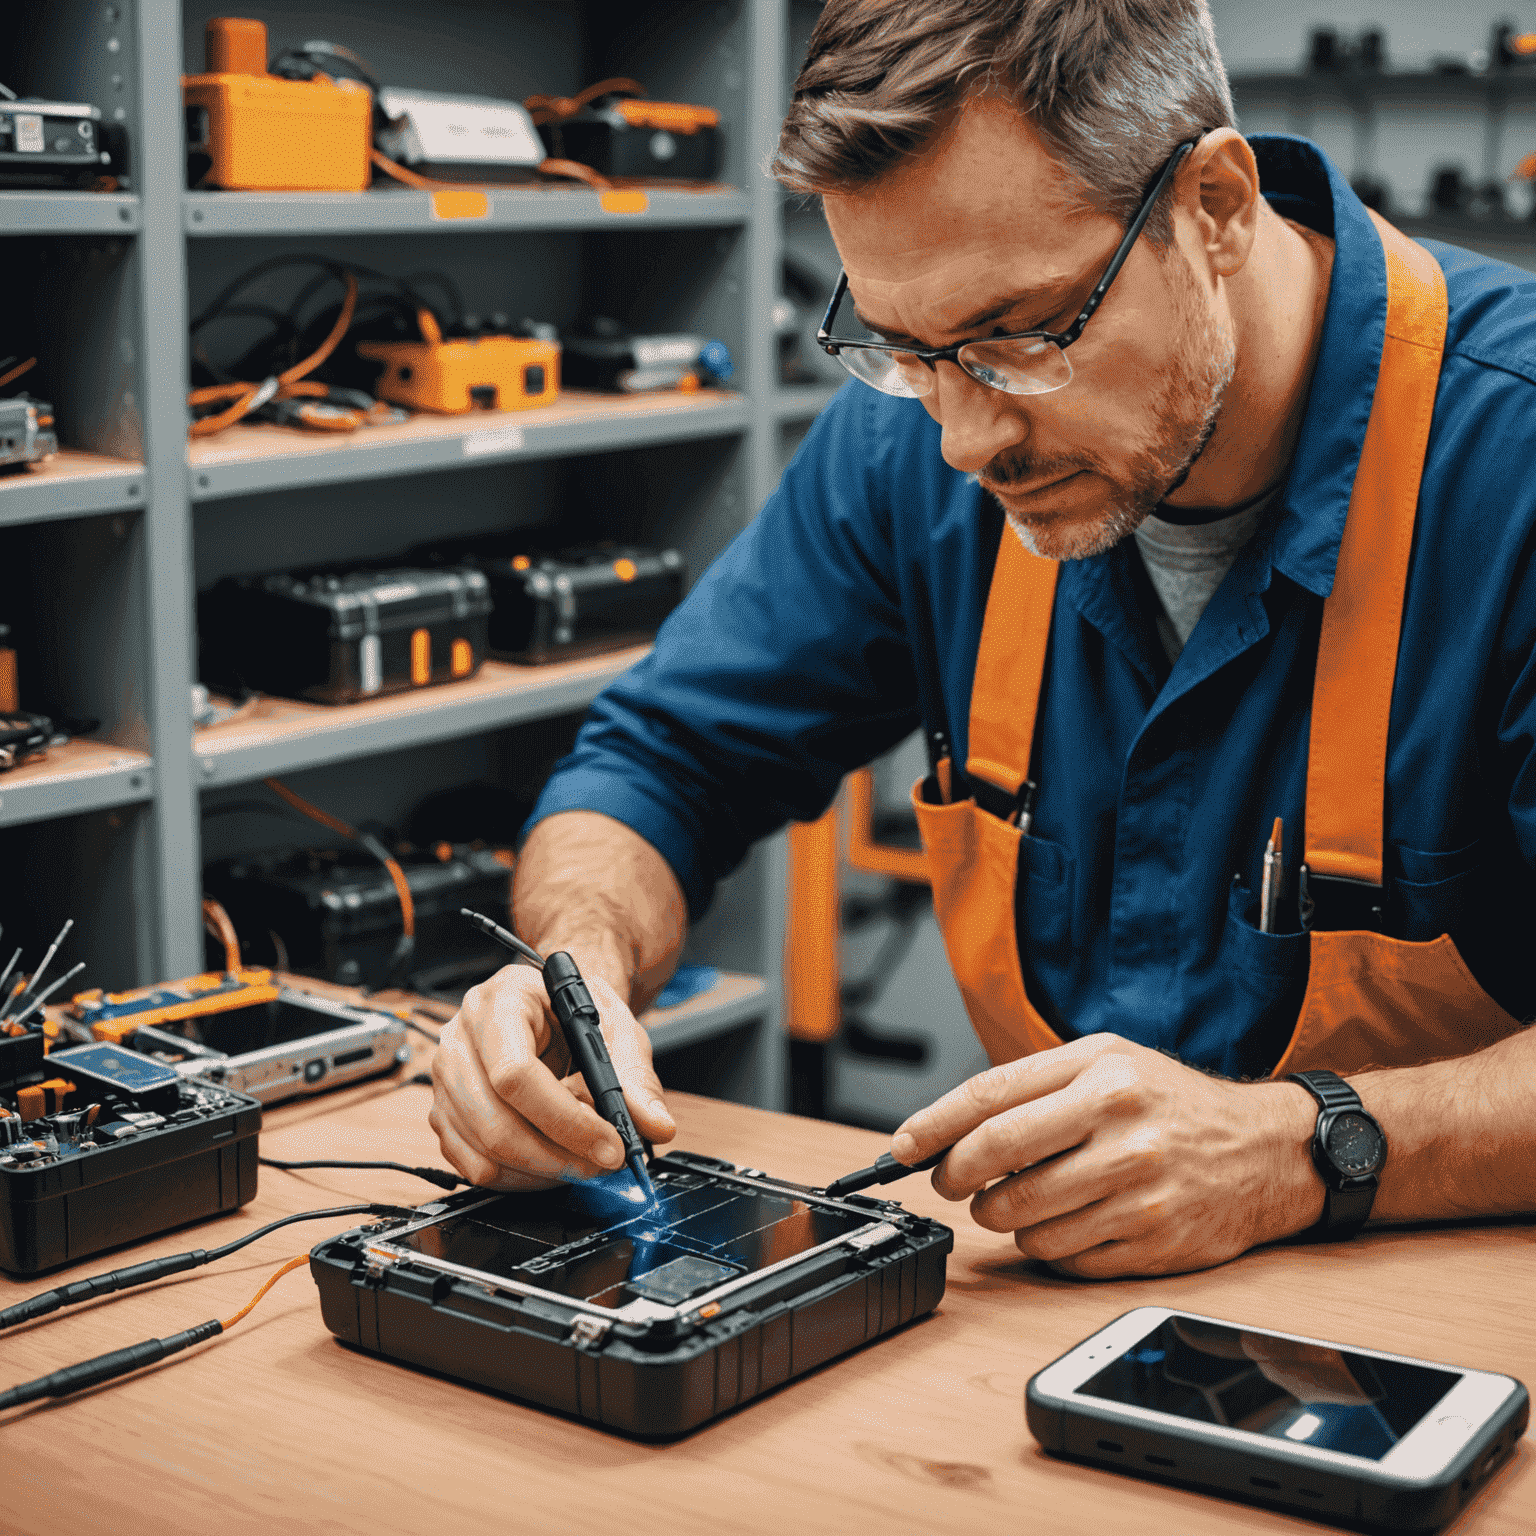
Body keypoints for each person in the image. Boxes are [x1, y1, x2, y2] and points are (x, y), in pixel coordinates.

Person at [431, 0, 1536, 1277]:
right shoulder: (922, 440)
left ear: (1217, 207)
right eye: (905, 350)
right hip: (1053, 1333)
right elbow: (661, 760)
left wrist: (1297, 1150)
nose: (965, 438)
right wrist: (575, 971)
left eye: (1022, 336)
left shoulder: (1505, 467)